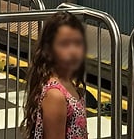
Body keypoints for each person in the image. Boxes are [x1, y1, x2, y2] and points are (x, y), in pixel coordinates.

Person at [23, 11, 88, 139]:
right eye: (64, 44)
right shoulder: (55, 95)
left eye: (77, 43)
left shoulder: (67, 83)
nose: (73, 51)